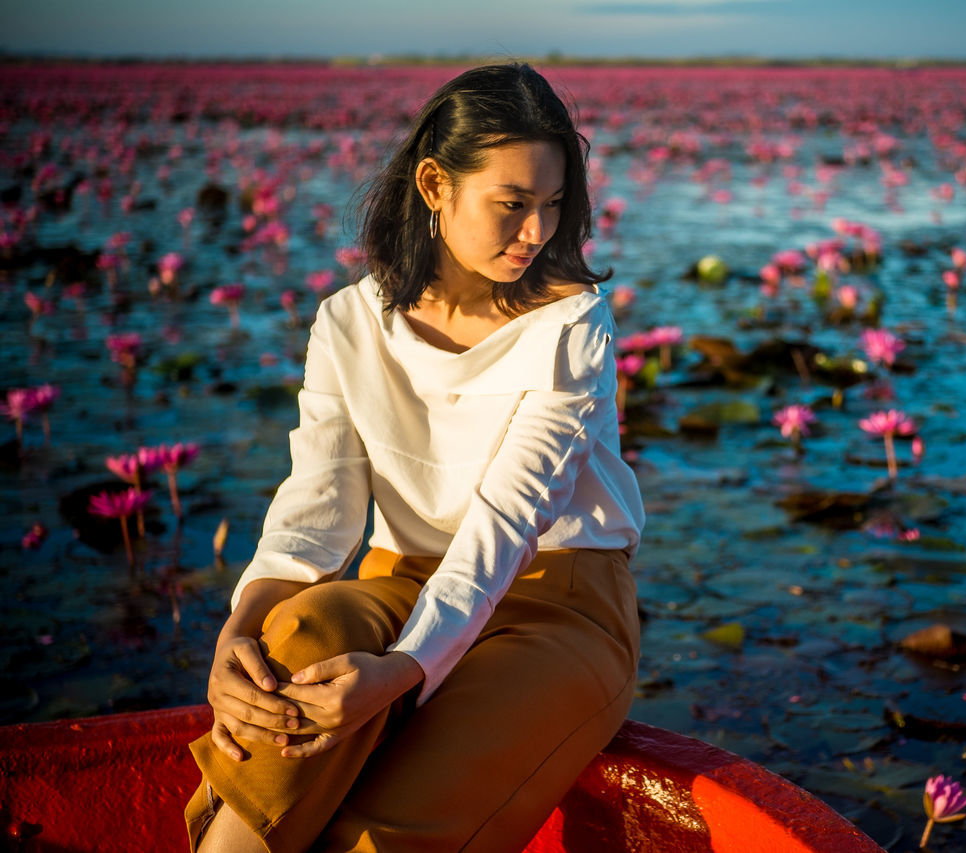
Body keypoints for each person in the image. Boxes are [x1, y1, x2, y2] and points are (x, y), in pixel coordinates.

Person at [184, 63, 645, 853]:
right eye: (512, 205)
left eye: (553, 206)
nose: (536, 233)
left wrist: (403, 670)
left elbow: (507, 518)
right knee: (292, 649)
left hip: (554, 601)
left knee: (384, 831)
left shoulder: (571, 328)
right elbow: (316, 505)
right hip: (396, 577)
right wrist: (239, 627)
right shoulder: (349, 322)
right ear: (436, 185)